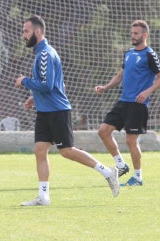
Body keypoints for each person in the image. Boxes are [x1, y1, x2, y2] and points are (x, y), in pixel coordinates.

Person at [15, 15, 119, 206]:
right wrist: (34, 97)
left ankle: (108, 172)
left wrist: (25, 82)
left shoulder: (45, 54)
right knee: (40, 150)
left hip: (57, 111)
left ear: (37, 32)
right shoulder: (41, 53)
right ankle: (43, 196)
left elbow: (47, 85)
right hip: (45, 111)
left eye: (26, 31)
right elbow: (57, 84)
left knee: (67, 151)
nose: (23, 35)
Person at [95, 20, 160, 187]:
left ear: (145, 35)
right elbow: (120, 75)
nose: (132, 36)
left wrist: (146, 92)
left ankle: (138, 177)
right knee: (103, 131)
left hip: (137, 104)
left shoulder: (150, 54)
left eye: (136, 33)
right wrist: (105, 87)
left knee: (130, 140)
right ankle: (121, 165)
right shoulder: (128, 53)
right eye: (132, 33)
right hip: (123, 102)